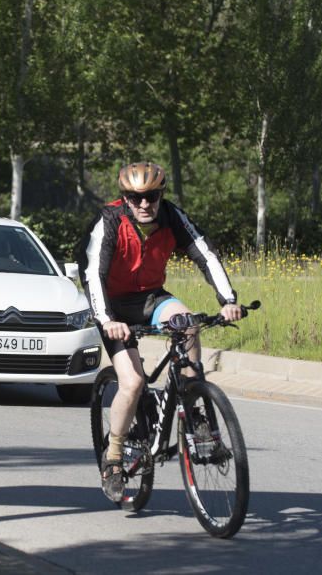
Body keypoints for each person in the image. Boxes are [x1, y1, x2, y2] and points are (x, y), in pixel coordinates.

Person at [76, 161, 242, 502]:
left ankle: (193, 408)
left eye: (151, 197)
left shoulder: (172, 217)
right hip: (112, 306)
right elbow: (92, 273)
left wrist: (228, 300)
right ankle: (114, 458)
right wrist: (107, 319)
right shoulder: (109, 221)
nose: (144, 204)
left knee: (188, 323)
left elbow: (206, 255)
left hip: (151, 297)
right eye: (135, 198)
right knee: (134, 382)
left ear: (160, 195)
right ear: (124, 198)